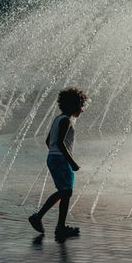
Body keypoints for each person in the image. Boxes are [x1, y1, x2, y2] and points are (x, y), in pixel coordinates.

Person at [28, 86, 88, 241]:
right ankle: (42, 218)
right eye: (81, 106)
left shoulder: (58, 119)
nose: (82, 110)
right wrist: (71, 162)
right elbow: (60, 143)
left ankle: (59, 226)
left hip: (54, 158)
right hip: (60, 159)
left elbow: (48, 141)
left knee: (65, 192)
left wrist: (53, 154)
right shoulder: (66, 121)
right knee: (65, 192)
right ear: (74, 105)